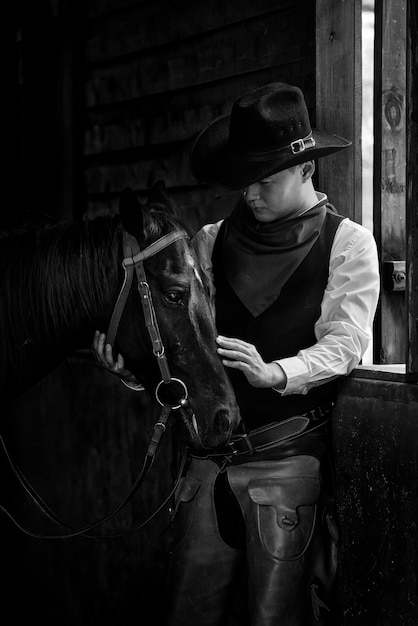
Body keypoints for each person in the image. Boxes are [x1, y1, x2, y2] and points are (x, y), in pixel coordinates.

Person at [93, 82, 380, 625]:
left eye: (264, 181)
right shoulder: (208, 240)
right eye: (243, 182)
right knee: (187, 614)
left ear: (306, 171)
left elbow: (346, 344)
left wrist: (277, 373)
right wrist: (130, 372)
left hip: (287, 466)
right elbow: (181, 345)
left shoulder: (348, 243)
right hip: (205, 467)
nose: (250, 194)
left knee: (276, 619)